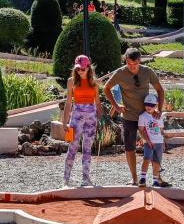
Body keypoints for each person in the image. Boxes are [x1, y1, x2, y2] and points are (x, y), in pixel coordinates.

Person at [104, 48, 164, 185]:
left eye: (135, 64)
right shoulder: (120, 73)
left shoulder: (147, 71)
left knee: (155, 145)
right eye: (129, 64)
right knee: (129, 147)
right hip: (129, 116)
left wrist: (158, 109)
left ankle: (157, 178)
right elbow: (106, 88)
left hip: (148, 116)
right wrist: (117, 106)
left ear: (140, 61)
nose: (132, 67)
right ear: (125, 60)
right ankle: (134, 178)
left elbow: (160, 90)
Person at [61, 54, 102, 187]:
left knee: (87, 148)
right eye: (78, 69)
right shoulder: (71, 81)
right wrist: (64, 121)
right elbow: (68, 103)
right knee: (72, 146)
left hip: (91, 117)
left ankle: (86, 178)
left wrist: (100, 120)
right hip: (76, 116)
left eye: (83, 69)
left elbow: (98, 103)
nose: (80, 71)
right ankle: (66, 180)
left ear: (89, 68)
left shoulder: (94, 82)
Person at [137, 93, 170, 187]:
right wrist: (147, 140)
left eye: (151, 105)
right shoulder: (142, 116)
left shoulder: (159, 117)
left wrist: (163, 142)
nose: (148, 107)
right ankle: (142, 179)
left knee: (156, 162)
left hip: (159, 142)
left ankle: (155, 181)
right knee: (146, 159)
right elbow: (141, 130)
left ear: (156, 106)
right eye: (147, 104)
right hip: (148, 143)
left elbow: (161, 131)